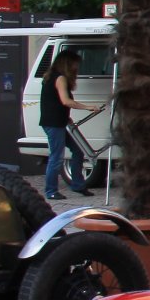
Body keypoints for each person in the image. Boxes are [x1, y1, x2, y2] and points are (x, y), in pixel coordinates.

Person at [38, 49, 97, 199]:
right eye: (75, 64)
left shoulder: (51, 76)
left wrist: (66, 117)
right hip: (54, 123)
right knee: (56, 157)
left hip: (58, 121)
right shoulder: (60, 78)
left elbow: (54, 101)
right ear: (68, 64)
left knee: (78, 150)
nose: (77, 67)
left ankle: (78, 185)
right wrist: (87, 107)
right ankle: (51, 191)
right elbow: (66, 101)